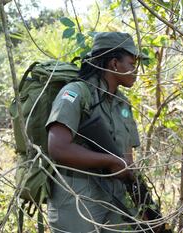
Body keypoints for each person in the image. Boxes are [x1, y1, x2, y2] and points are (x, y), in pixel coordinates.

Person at [45, 32, 145, 232]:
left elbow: (127, 160)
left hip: (114, 198)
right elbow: (58, 148)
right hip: (78, 199)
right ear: (114, 64)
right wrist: (110, 161)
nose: (135, 71)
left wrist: (142, 201)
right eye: (132, 64)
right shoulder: (76, 93)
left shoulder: (122, 103)